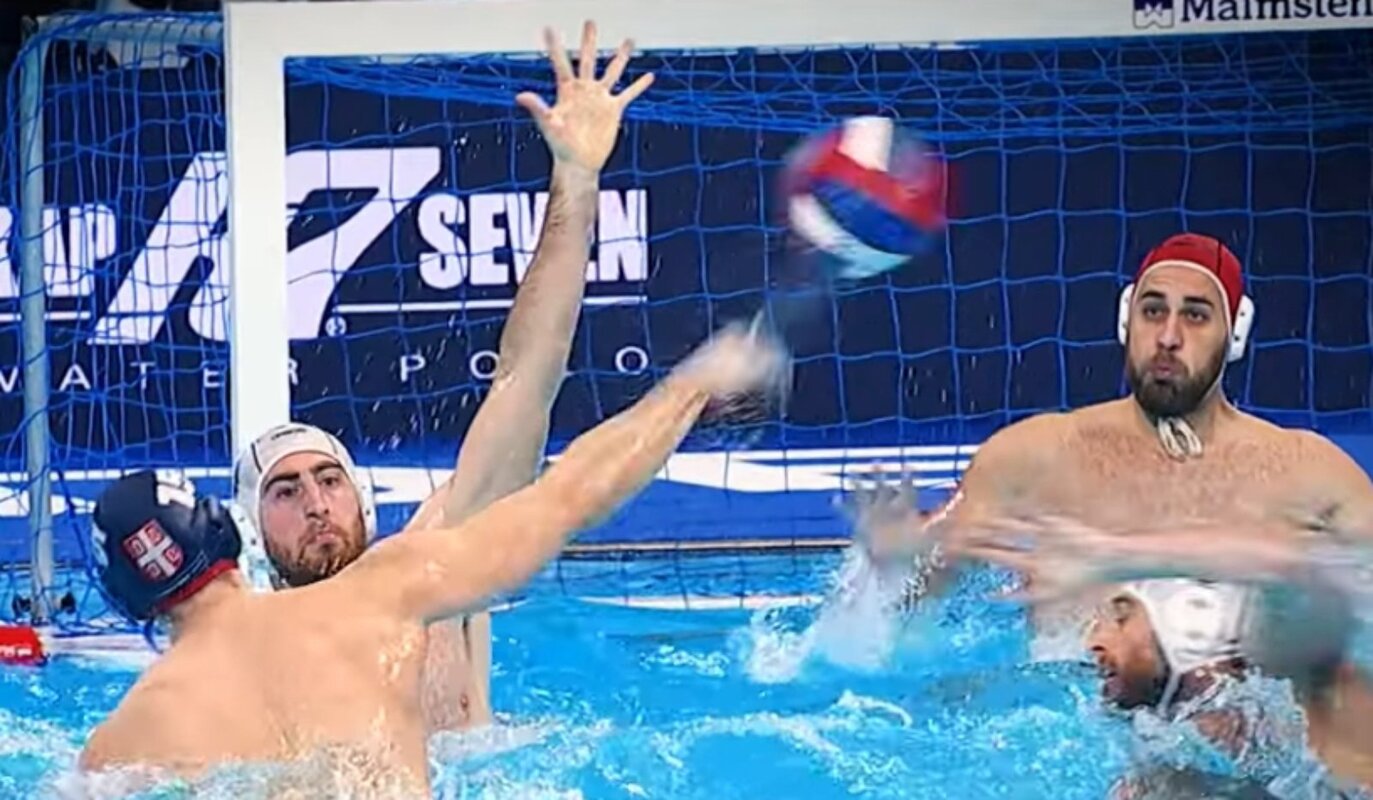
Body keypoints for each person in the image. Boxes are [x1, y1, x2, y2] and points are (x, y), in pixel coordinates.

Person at [77, 322, 790, 795]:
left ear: (128, 599)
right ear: (229, 532)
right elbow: (569, 495)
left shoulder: (119, 743)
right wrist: (690, 387)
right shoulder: (375, 594)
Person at [229, 20, 649, 733]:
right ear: (251, 527)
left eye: (329, 480)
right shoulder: (240, 661)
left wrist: (576, 180)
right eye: (286, 491)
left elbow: (526, 378)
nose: (316, 505)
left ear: (363, 499)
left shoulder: (440, 572)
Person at [850, 232, 1373, 786]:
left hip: (1242, 761)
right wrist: (894, 564)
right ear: (1127, 319)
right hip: (1059, 744)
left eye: (1196, 316)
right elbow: (905, 615)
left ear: (1235, 332)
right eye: (1153, 311)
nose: (1168, 337)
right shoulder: (1035, 456)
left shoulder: (1309, 472)